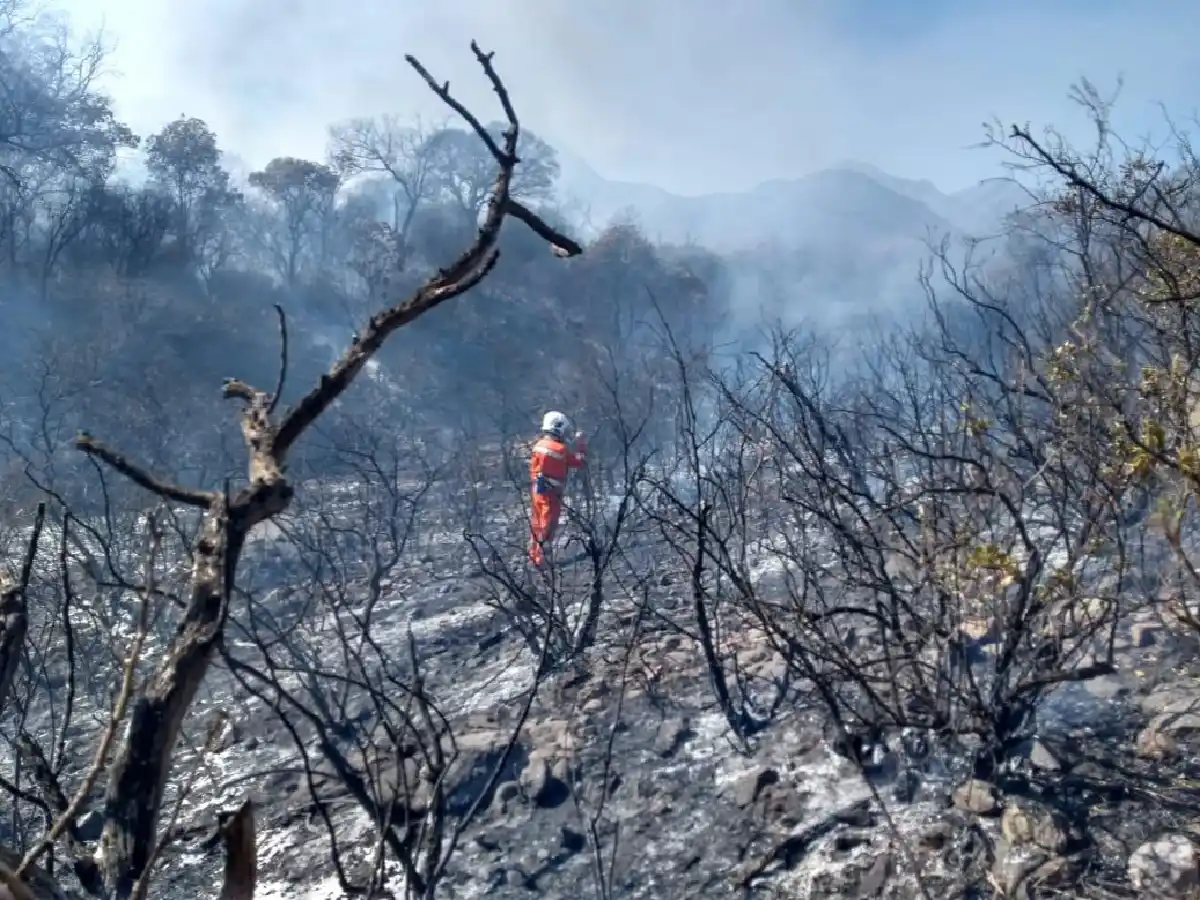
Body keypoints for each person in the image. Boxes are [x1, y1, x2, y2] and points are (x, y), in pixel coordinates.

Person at [528, 410, 587, 567]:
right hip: (551, 493)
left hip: (537, 490)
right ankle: (543, 561)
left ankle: (534, 557)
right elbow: (579, 461)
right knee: (548, 525)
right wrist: (581, 444)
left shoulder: (539, 445)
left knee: (537, 523)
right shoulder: (560, 449)